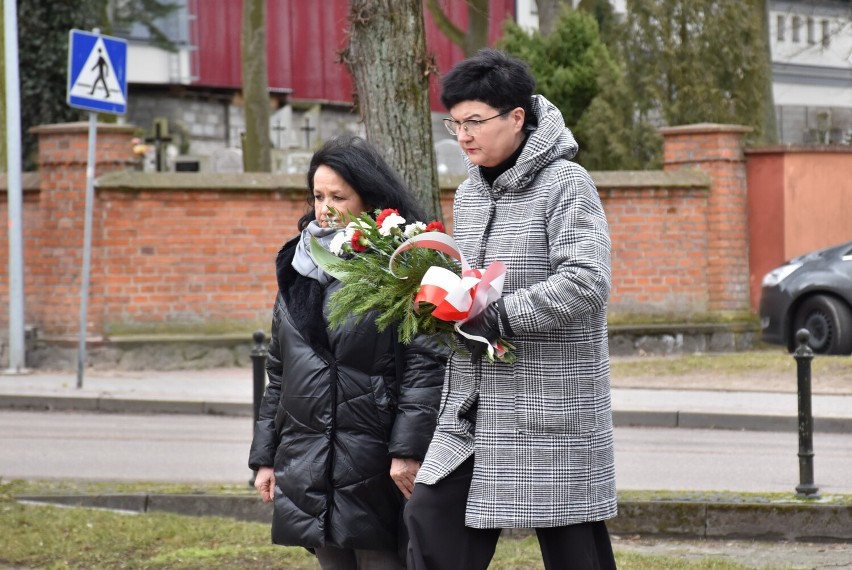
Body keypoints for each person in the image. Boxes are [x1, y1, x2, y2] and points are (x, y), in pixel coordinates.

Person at [403, 49, 618, 570]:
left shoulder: (566, 183)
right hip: (474, 405)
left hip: (551, 403)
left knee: (573, 546)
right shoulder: (472, 192)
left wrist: (500, 315)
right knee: (430, 519)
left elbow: (587, 281)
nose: (464, 136)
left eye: (474, 122)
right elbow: (470, 282)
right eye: (455, 124)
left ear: (516, 117)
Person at [249, 135, 446, 570]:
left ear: (369, 200)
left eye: (338, 196)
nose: (324, 207)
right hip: (307, 458)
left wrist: (407, 449)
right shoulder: (296, 268)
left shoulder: (399, 265)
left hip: (374, 455)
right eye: (318, 196)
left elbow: (424, 368)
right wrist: (264, 458)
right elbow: (279, 375)